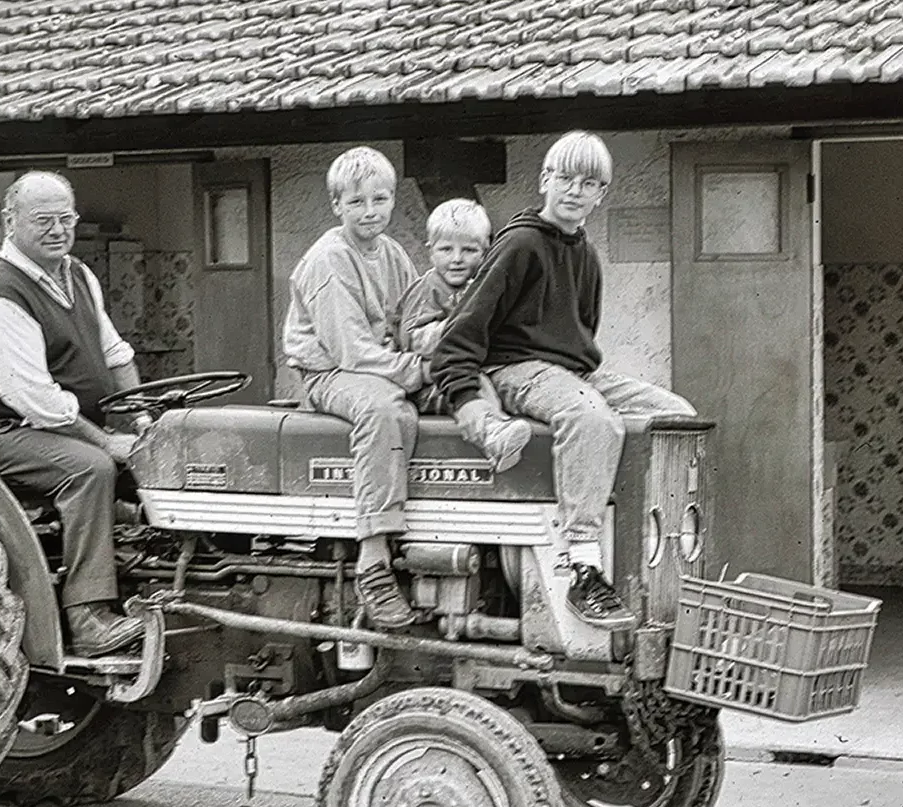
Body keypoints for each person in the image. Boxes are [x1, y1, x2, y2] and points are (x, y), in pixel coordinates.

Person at [431, 131, 697, 630]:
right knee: (591, 418)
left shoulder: (586, 256)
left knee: (677, 416)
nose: (575, 190)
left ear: (601, 194)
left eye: (589, 183)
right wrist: (466, 396)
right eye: (566, 178)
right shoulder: (520, 244)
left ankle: (659, 559)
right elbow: (458, 337)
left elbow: (581, 337)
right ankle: (583, 566)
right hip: (513, 369)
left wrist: (579, 379)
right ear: (545, 180)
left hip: (571, 372)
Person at [0, 170, 146, 657]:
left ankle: (152, 583)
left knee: (160, 462)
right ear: (10, 221)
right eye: (43, 220)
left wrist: (146, 424)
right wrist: (105, 441)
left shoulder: (77, 275)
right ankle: (87, 616)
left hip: (57, 427)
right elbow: (33, 399)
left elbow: (116, 354)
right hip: (1, 432)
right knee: (90, 469)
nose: (58, 230)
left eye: (66, 219)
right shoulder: (1, 295)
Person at [282, 147, 424, 630]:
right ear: (336, 205)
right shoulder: (328, 260)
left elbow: (412, 319)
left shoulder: (393, 253)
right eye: (357, 202)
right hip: (331, 373)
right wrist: (414, 370)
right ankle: (373, 558)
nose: (370, 211)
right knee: (384, 411)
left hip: (381, 364)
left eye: (379, 199)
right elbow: (351, 351)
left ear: (392, 200)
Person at [399, 198, 531, 473]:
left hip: (466, 373)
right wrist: (459, 328)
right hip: (429, 384)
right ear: (431, 251)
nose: (457, 259)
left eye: (469, 250)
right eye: (446, 249)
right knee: (473, 380)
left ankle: (501, 431)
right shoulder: (428, 288)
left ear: (485, 252)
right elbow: (412, 338)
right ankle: (493, 435)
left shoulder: (480, 287)